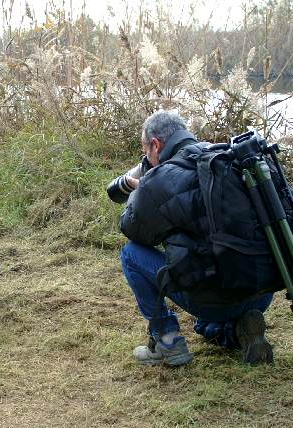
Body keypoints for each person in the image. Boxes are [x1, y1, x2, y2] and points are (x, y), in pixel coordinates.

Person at [107, 110, 274, 367]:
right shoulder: (225, 155)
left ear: (156, 144)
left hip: (213, 299)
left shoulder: (162, 178)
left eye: (146, 150)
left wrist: (139, 188)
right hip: (262, 289)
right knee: (205, 327)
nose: (146, 158)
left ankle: (168, 341)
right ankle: (242, 326)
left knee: (131, 254)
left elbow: (132, 229)